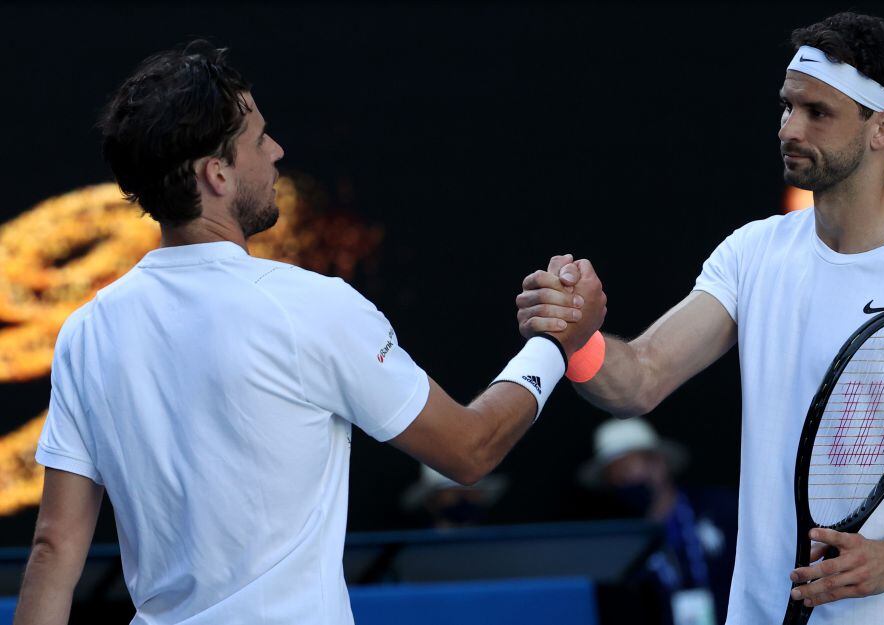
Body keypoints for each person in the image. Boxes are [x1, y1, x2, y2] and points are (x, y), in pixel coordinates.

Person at [14, 42, 605, 625]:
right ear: (215, 174)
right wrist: (554, 344)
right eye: (257, 139)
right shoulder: (310, 307)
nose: (276, 151)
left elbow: (55, 548)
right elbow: (469, 450)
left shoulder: (88, 331)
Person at [517, 12, 884, 624]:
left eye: (817, 113)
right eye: (787, 107)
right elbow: (640, 380)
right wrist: (581, 340)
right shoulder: (753, 252)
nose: (789, 128)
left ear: (883, 128)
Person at [581, 418, 736, 625]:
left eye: (628, 467)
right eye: (613, 474)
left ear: (659, 462)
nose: (623, 480)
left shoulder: (720, 509)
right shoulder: (617, 545)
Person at [401, 463, 508, 529]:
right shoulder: (415, 552)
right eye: (454, 493)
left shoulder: (502, 546)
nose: (463, 499)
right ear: (431, 501)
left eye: (469, 493)